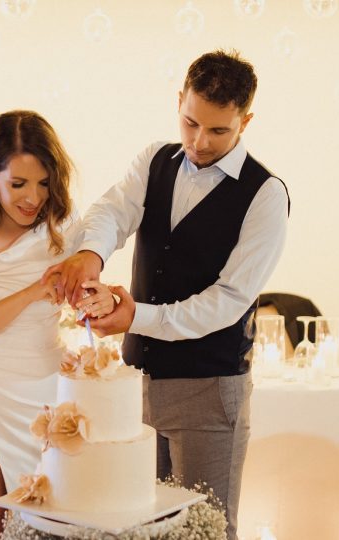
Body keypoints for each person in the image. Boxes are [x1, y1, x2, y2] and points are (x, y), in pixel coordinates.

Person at [55, 50, 290, 539]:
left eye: (218, 130)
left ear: (245, 122)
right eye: (190, 123)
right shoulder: (154, 160)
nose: (200, 141)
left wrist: (135, 317)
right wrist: (91, 255)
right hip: (138, 382)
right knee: (141, 526)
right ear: (179, 100)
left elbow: (228, 300)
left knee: (206, 530)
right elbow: (112, 211)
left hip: (210, 388)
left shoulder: (265, 194)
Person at [0, 110, 114, 540]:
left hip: (45, 392)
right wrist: (30, 293)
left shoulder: (63, 227)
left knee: (45, 522)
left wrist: (100, 299)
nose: (33, 198)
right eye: (19, 184)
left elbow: (85, 298)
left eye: (44, 183)